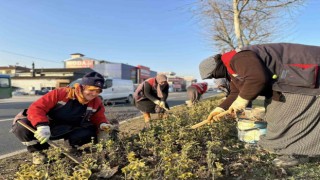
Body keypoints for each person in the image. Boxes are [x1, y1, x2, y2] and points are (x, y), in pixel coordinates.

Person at [199, 43, 320, 167]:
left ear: (217, 67)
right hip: (293, 78)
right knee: (273, 115)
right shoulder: (232, 68)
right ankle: (284, 148)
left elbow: (257, 79)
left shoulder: (239, 58)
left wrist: (241, 101)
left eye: (213, 75)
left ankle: (296, 154)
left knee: (287, 117)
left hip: (305, 73)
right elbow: (236, 92)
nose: (215, 78)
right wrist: (219, 109)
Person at [11, 72, 115, 164]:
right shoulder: (61, 93)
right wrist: (42, 125)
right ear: (83, 86)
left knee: (92, 130)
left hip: (69, 128)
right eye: (92, 90)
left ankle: (71, 146)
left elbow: (98, 116)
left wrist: (102, 124)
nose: (94, 94)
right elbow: (36, 108)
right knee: (21, 127)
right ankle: (39, 152)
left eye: (98, 91)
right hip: (48, 126)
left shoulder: (96, 101)